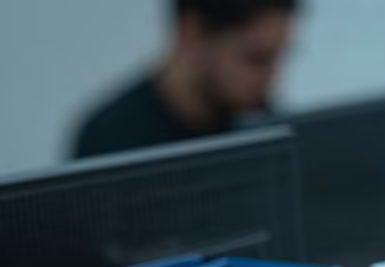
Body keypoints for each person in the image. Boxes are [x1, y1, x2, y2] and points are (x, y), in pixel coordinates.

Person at [72, 0, 299, 159]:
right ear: (191, 32)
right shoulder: (107, 141)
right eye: (256, 58)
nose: (272, 79)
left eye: (279, 57)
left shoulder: (266, 129)